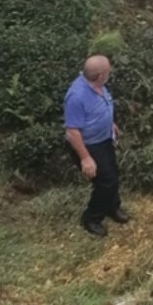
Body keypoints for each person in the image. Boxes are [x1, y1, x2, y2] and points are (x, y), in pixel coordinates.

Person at [64, 55, 126, 237]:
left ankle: (112, 207)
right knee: (105, 182)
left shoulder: (97, 84)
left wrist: (110, 124)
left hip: (104, 138)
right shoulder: (76, 97)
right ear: (100, 76)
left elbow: (100, 107)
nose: (110, 73)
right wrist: (85, 158)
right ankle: (91, 217)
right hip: (90, 146)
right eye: (108, 71)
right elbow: (72, 132)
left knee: (112, 175)